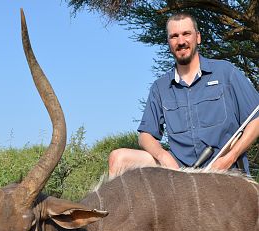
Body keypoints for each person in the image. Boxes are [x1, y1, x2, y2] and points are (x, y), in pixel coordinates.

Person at [109, 12, 259, 178]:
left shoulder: (225, 71)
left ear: (198, 37)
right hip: (179, 170)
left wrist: (230, 157)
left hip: (223, 167)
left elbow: (256, 119)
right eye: (174, 36)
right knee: (118, 158)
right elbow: (145, 136)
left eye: (186, 34)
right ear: (169, 43)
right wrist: (163, 157)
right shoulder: (160, 87)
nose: (181, 41)